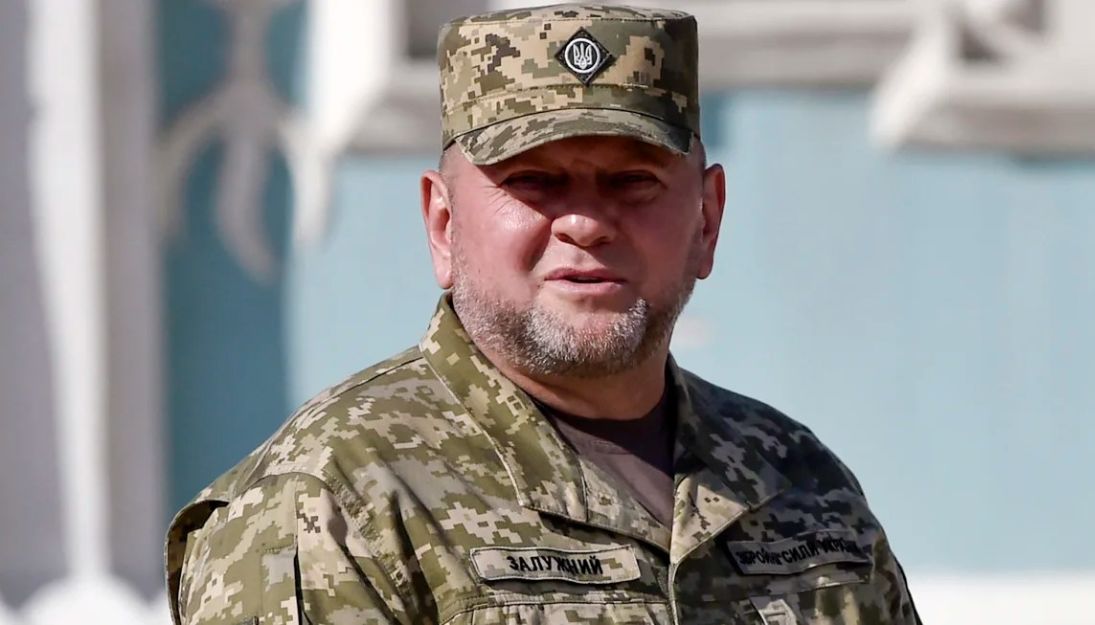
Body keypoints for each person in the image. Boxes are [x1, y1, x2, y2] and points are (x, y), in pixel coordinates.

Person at [165, 4, 921, 624]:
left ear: (708, 220)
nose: (586, 223)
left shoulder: (797, 482)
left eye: (632, 181)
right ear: (443, 224)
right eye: (534, 182)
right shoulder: (333, 503)